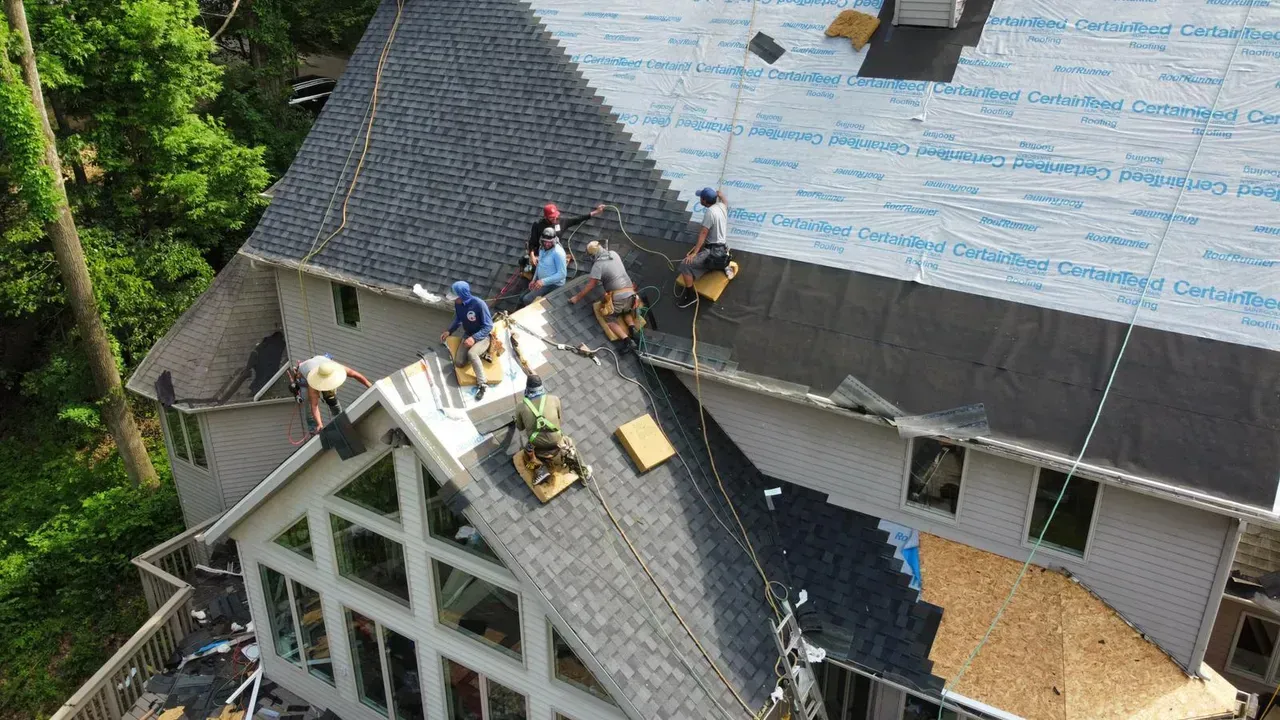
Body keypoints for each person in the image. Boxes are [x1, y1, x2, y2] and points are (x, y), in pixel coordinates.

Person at [513, 375, 588, 484]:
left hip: (537, 446)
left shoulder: (520, 406)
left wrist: (520, 418)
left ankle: (539, 468)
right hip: (556, 442)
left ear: (527, 389)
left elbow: (520, 427)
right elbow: (559, 420)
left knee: (528, 452)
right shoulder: (554, 399)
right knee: (569, 445)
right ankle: (584, 473)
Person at [569, 240, 638, 350]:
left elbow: (591, 285)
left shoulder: (598, 265)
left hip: (618, 298)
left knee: (608, 317)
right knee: (626, 310)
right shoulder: (613, 254)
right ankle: (632, 328)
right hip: (631, 295)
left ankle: (627, 341)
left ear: (594, 255)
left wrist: (577, 298)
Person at [676, 186, 735, 308]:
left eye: (701, 198)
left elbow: (703, 233)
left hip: (713, 252)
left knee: (685, 265)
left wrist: (694, 252)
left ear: (704, 200)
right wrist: (721, 195)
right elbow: (725, 202)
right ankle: (723, 265)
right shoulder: (721, 206)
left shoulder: (710, 212)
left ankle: (690, 296)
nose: (700, 199)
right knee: (704, 259)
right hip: (723, 248)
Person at [289, 354, 372, 434]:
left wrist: (370, 385)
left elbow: (355, 374)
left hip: (320, 363)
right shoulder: (312, 383)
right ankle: (313, 428)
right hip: (304, 375)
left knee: (330, 397)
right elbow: (314, 406)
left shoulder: (336, 367)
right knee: (307, 399)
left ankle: (338, 417)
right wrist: (320, 424)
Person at [440, 280, 494, 399]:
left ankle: (482, 384)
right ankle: (480, 354)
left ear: (463, 295)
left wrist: (474, 339)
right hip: (468, 335)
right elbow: (458, 319)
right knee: (459, 363)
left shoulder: (479, 304)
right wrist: (449, 331)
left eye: (456, 297)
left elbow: (489, 326)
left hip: (482, 336)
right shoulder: (458, 304)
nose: (454, 300)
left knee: (472, 354)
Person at [527, 202, 606, 258]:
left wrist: (596, 212)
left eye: (556, 216)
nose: (555, 218)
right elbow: (532, 243)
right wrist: (532, 256)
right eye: (551, 217)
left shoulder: (561, 222)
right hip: (541, 255)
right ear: (545, 217)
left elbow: (577, 219)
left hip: (555, 253)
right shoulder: (538, 225)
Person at [522, 227, 567, 306]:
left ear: (554, 241)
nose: (546, 244)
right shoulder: (542, 248)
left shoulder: (558, 253)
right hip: (542, 281)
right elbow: (540, 264)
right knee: (522, 297)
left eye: (549, 242)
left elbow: (562, 274)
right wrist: (534, 279)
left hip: (553, 285)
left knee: (527, 299)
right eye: (544, 241)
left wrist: (543, 282)